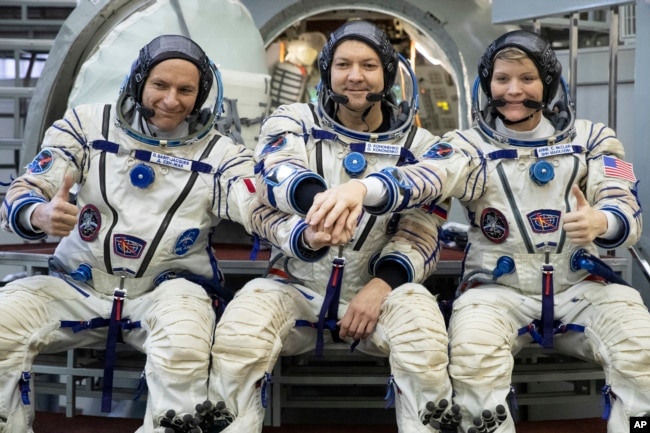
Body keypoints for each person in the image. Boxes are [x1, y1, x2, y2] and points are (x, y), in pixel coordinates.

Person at [306, 30, 650, 433]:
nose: (513, 91)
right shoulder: (468, 147)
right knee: (474, 364)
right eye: (502, 80)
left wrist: (601, 222)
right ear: (487, 86)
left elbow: (624, 202)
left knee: (639, 348)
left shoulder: (594, 141)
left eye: (527, 79)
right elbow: (423, 176)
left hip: (581, 286)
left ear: (549, 83)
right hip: (495, 291)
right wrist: (361, 188)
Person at [0, 34, 257, 433]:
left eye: (186, 90)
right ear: (138, 82)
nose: (171, 101)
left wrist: (298, 222)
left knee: (185, 343)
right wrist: (38, 213)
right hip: (78, 286)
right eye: (160, 85)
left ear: (202, 95)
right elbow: (25, 189)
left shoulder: (222, 154)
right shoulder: (86, 126)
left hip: (167, 291)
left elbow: (254, 204)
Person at [209, 20, 456, 433]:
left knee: (425, 339)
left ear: (388, 74)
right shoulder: (293, 121)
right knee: (239, 338)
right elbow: (275, 172)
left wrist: (382, 286)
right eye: (342, 64)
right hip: (294, 284)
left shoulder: (422, 147)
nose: (355, 76)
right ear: (327, 72)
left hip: (380, 293)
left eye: (368, 65)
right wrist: (318, 213)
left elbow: (421, 231)